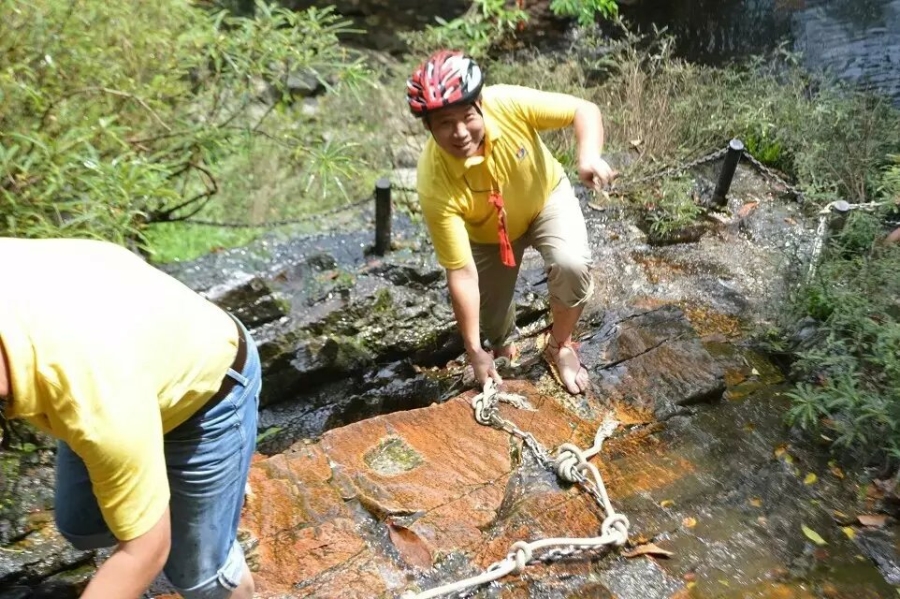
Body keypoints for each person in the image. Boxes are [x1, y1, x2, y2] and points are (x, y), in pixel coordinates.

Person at [0, 237, 260, 599]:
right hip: (123, 330)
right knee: (81, 527)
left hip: (209, 386)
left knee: (200, 578)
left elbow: (147, 549)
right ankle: (185, 496)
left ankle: (219, 519)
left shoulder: (95, 403)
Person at [407, 50, 615, 395]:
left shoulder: (507, 103)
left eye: (467, 117)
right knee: (491, 319)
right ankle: (502, 345)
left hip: (545, 198)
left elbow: (584, 110)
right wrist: (475, 350)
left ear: (480, 105)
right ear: (429, 127)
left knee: (572, 264)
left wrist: (588, 155)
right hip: (487, 234)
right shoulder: (434, 181)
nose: (459, 132)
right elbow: (460, 273)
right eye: (444, 123)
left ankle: (560, 345)